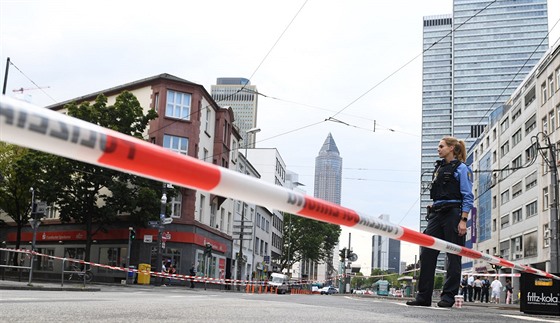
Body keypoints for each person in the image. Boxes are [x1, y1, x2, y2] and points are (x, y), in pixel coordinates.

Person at [406, 136, 473, 308]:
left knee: (453, 255)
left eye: (441, 146)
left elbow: (467, 196)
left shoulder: (461, 168)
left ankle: (448, 297)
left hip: (453, 214)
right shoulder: (439, 168)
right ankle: (423, 296)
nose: (438, 149)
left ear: (451, 148)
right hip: (437, 213)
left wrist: (463, 220)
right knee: (427, 253)